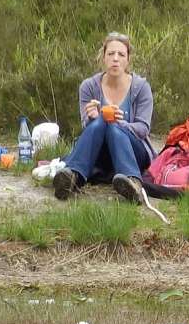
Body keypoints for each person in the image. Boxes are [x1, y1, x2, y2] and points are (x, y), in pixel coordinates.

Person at [53, 32, 154, 205]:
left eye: (121, 54)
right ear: (103, 57)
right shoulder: (89, 86)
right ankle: (71, 177)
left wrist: (121, 124)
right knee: (100, 122)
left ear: (128, 60)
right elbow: (88, 130)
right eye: (111, 54)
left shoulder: (141, 88)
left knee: (114, 128)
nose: (115, 59)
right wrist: (92, 119)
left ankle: (133, 182)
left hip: (133, 151)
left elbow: (143, 128)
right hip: (101, 152)